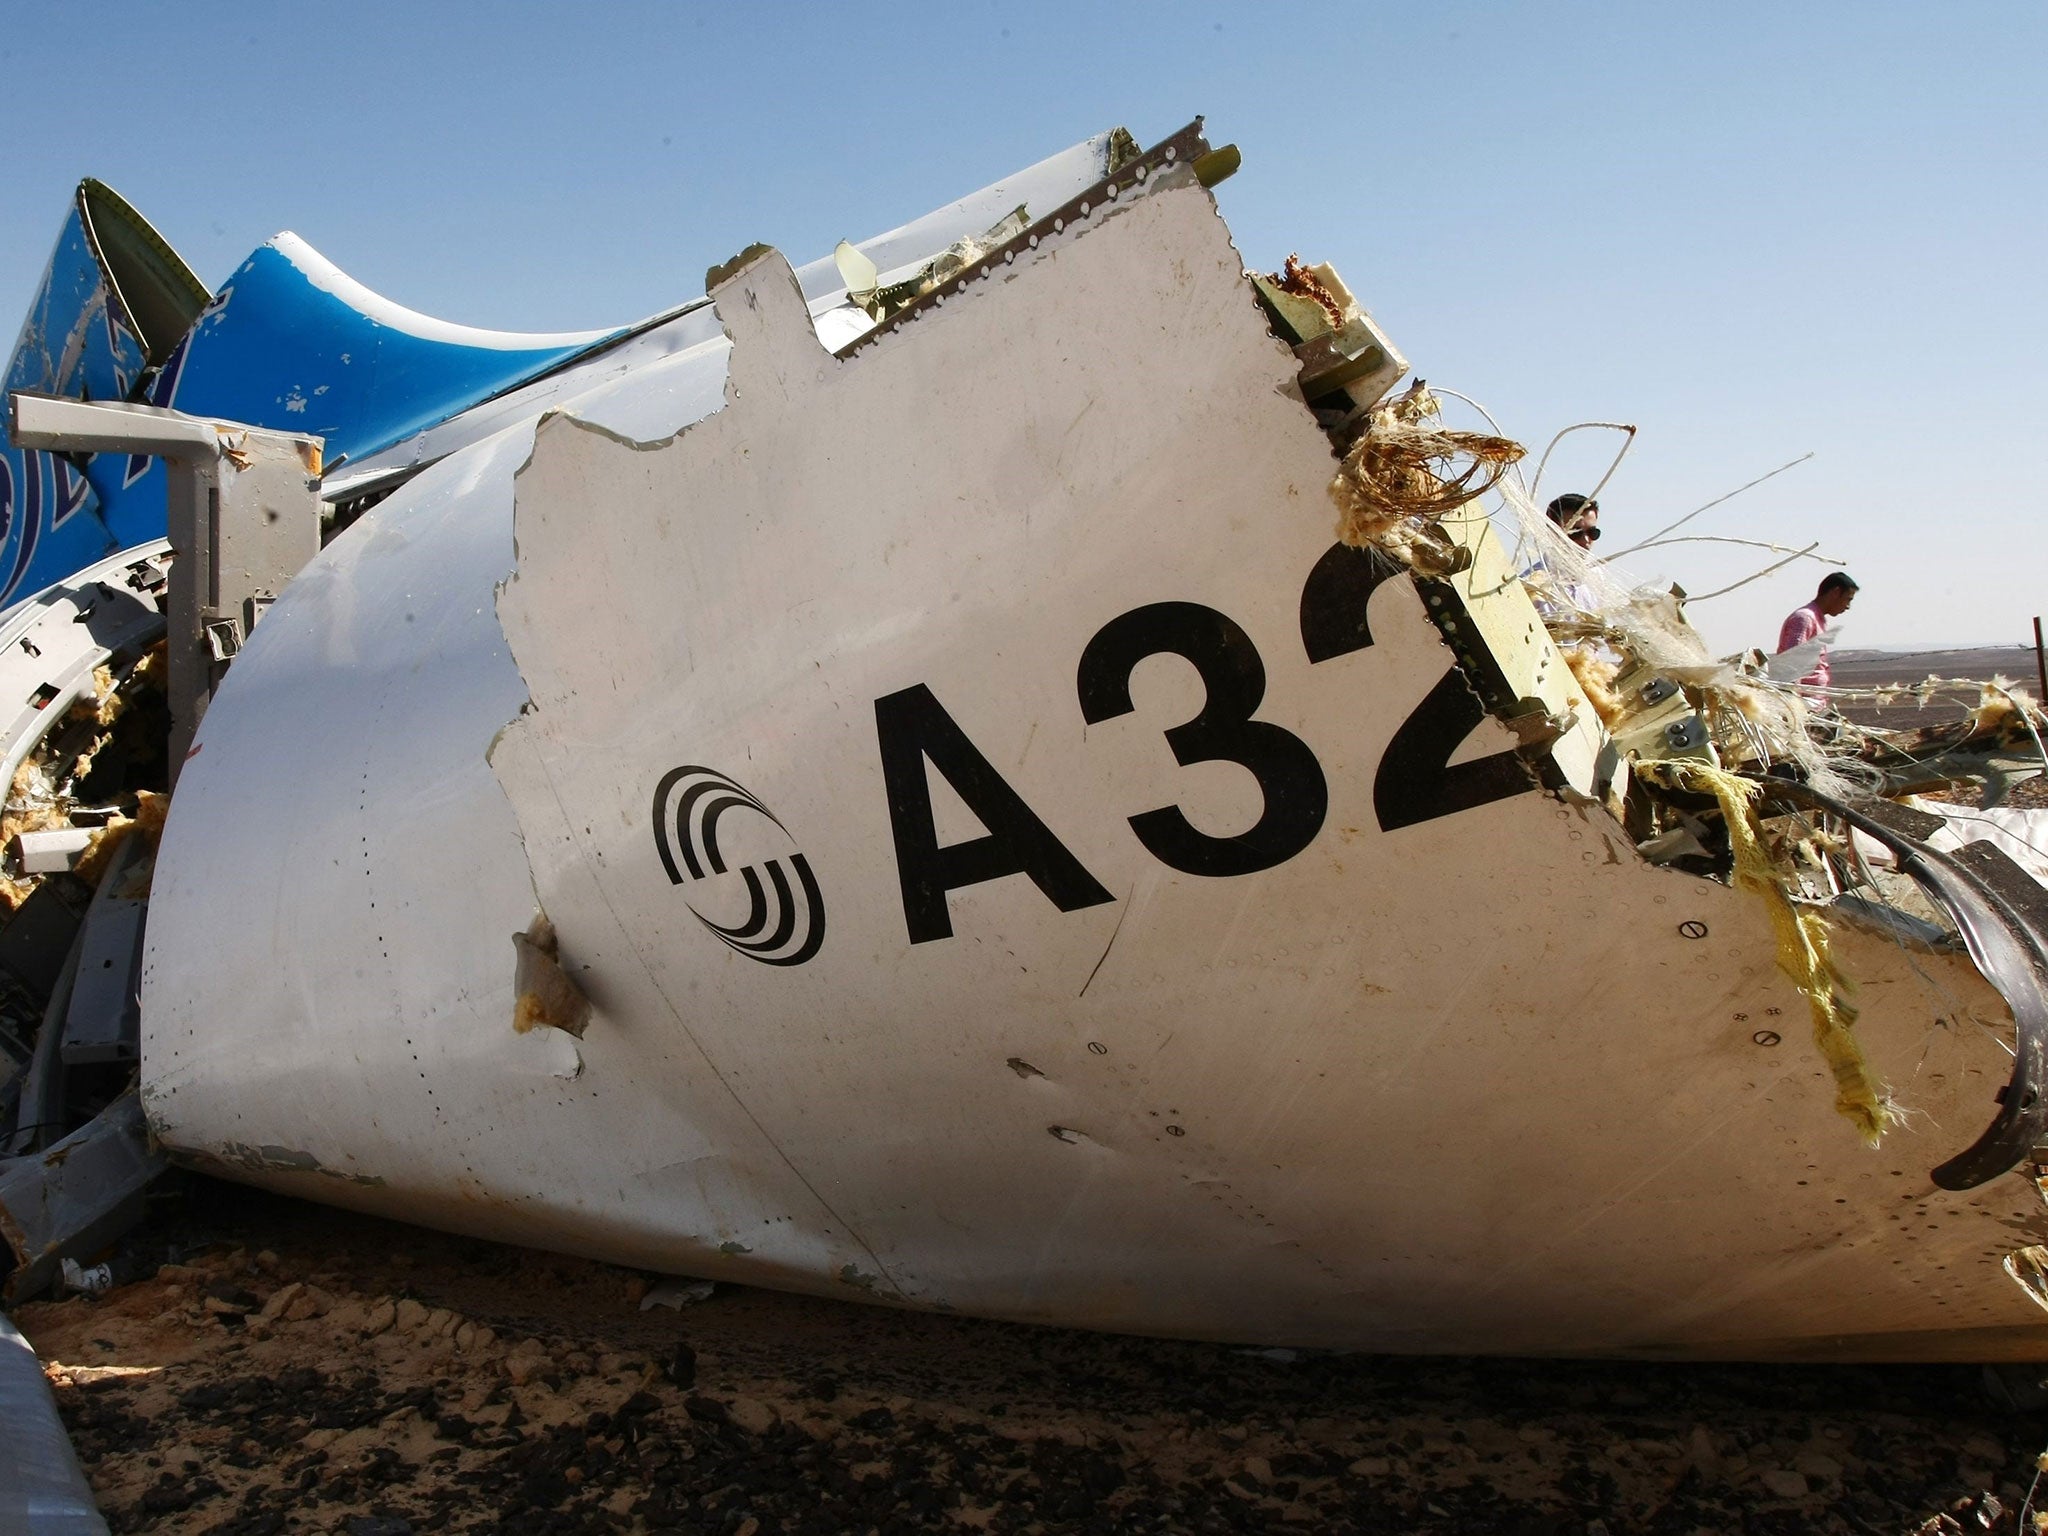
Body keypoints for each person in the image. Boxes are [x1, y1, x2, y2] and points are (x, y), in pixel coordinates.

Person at [1775, 572, 1858, 692]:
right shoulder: (1804, 618)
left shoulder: (1818, 619)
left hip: (1812, 701)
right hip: (1803, 702)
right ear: (1836, 592)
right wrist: (1793, 701)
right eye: (1848, 599)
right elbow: (1792, 663)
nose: (1848, 606)